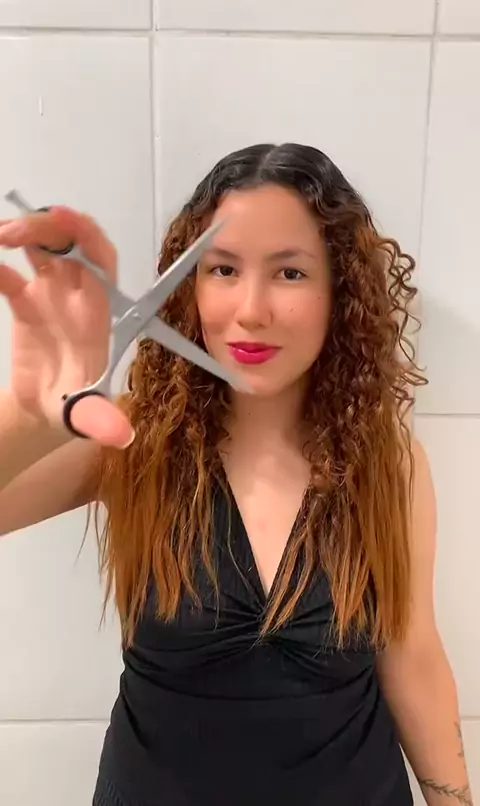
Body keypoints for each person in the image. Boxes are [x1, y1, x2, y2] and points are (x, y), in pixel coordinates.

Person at [0, 143, 473, 806]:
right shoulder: (129, 438)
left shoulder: (387, 463)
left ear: (340, 292)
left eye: (289, 273)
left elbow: (412, 652)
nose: (251, 309)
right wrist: (30, 417)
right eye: (223, 268)